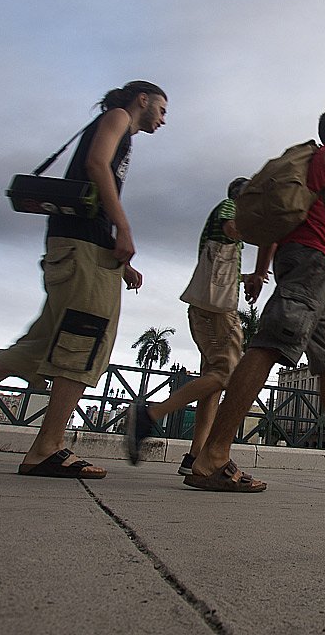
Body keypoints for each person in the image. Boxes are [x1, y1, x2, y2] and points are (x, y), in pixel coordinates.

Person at [0, 80, 168, 478]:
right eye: (162, 109)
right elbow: (98, 165)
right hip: (82, 247)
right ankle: (47, 448)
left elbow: (98, 181)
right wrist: (124, 228)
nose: (164, 119)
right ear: (142, 99)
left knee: (39, 347)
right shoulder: (117, 117)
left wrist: (115, 247)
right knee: (84, 342)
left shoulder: (121, 132)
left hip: (84, 246)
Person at [186, 108, 325, 493]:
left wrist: (264, 270)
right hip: (311, 260)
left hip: (306, 263)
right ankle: (212, 456)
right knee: (269, 346)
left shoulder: (311, 160)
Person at [124, 177, 271, 474]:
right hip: (218, 312)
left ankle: (195, 456)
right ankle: (150, 414)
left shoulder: (222, 223)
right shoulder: (230, 207)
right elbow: (232, 228)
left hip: (204, 309)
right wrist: (267, 231)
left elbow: (222, 258)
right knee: (229, 375)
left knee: (212, 383)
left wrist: (247, 278)